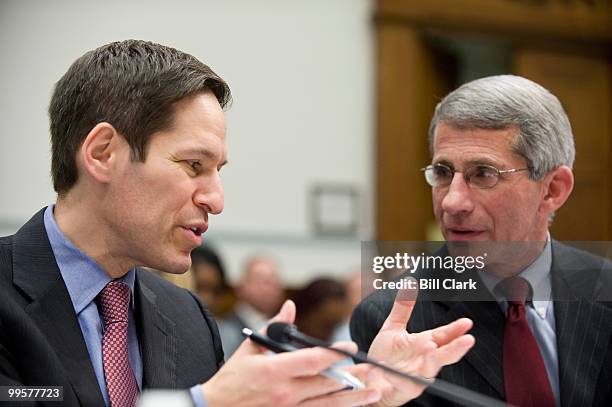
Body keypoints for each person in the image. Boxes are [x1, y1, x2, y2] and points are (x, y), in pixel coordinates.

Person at [0, 39, 475, 407]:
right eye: (192, 165)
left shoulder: (188, 319)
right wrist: (210, 403)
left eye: (218, 171)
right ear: (104, 153)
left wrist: (359, 395)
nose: (216, 199)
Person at [351, 75, 612, 406]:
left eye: (483, 174)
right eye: (443, 173)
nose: (452, 202)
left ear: (552, 189)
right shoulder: (391, 319)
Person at [217, 255, 284, 356]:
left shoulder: (282, 329)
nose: (268, 287)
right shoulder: (225, 330)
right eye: (260, 280)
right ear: (241, 286)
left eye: (273, 280)